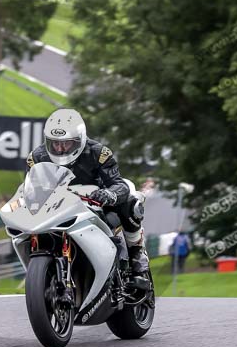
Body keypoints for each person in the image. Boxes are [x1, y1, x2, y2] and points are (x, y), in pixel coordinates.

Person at [25, 108, 150, 283]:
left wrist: (109, 194)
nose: (60, 149)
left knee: (130, 198)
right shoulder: (37, 157)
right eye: (55, 143)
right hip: (57, 208)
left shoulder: (98, 153)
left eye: (66, 143)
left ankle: (137, 252)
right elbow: (30, 188)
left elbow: (118, 183)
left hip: (95, 205)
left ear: (79, 140)